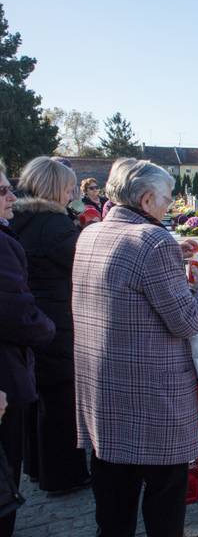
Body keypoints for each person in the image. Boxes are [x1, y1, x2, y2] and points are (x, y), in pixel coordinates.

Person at [73, 158, 198, 537]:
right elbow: (187, 322)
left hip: (103, 393)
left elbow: (129, 282)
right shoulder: (153, 243)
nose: (169, 207)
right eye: (167, 199)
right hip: (152, 399)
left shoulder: (90, 234)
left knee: (112, 501)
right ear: (148, 199)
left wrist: (174, 256)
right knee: (164, 504)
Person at [10, 157, 91, 495]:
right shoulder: (54, 225)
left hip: (30, 320)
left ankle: (36, 466)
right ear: (55, 188)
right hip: (56, 320)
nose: (73, 190)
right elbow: (81, 266)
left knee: (36, 398)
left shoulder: (19, 217)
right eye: (69, 185)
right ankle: (63, 476)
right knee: (60, 401)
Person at [0, 159, 56, 537]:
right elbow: (14, 309)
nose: (11, 198)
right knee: (6, 457)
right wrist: (46, 330)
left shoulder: (11, 231)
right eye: (3, 192)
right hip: (7, 366)